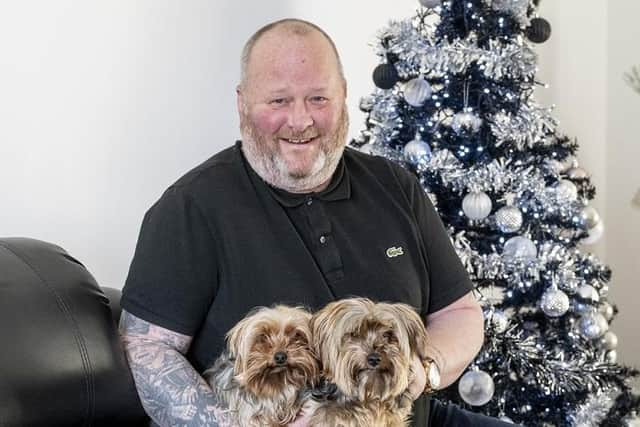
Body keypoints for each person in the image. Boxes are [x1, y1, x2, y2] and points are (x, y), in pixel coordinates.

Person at [119, 18, 515, 427]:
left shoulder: (395, 185)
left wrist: (422, 372)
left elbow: (461, 314)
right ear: (242, 103)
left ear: (343, 95)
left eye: (318, 99)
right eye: (278, 101)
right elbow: (149, 352)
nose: (300, 120)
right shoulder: (191, 207)